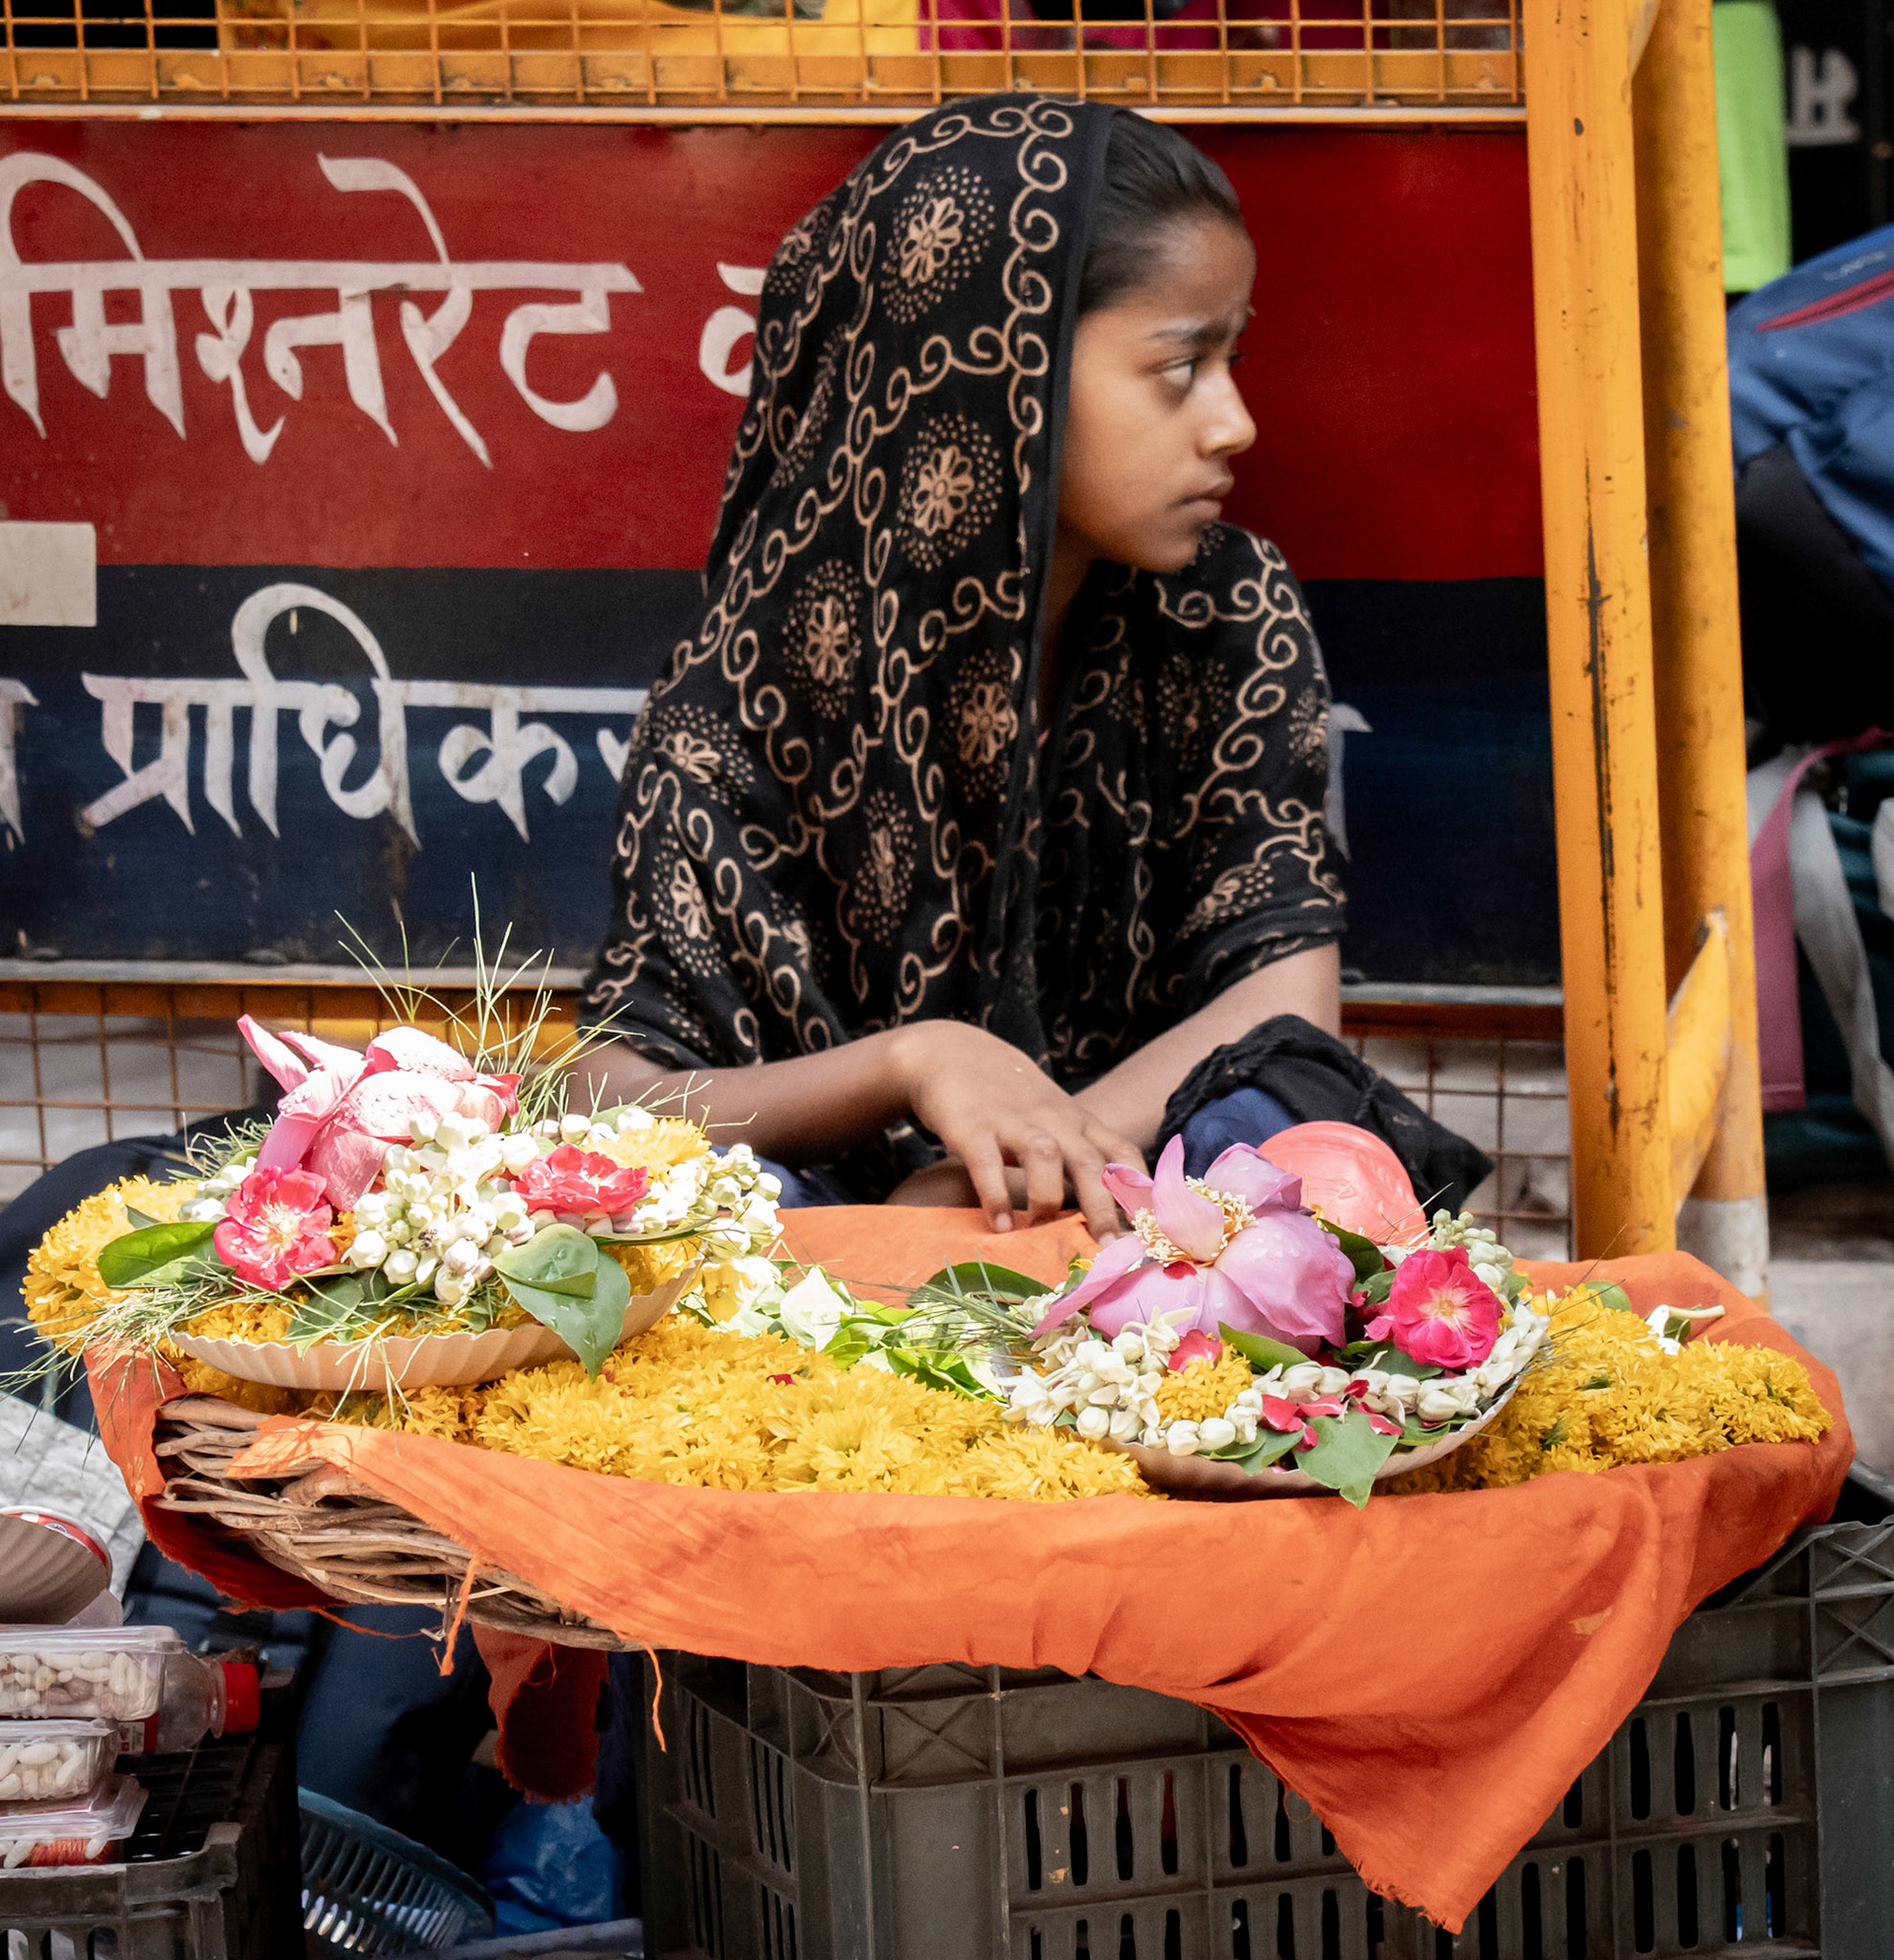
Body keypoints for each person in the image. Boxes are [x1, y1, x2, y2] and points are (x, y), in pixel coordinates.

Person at [581, 97, 1488, 1238]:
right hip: (841, 1250)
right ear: (997, 374)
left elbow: (1281, 993)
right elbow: (611, 1089)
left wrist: (1006, 1159)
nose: (1235, 422)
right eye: (1179, 366)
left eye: (1231, 357)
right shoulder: (745, 681)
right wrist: (919, 1065)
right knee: (679, 1202)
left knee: (1293, 1128)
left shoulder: (1224, 612)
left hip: (1130, 1202)